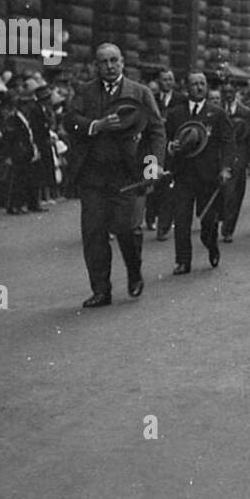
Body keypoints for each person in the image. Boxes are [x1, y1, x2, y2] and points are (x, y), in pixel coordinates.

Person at [64, 42, 165, 308]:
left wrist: (153, 164)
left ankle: (134, 272)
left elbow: (156, 131)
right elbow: (69, 120)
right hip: (94, 175)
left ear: (122, 63)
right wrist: (95, 125)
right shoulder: (84, 92)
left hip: (127, 175)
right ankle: (101, 290)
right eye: (103, 62)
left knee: (126, 228)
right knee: (94, 232)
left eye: (114, 61)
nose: (109, 66)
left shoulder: (140, 92)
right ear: (96, 66)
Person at [164, 72, 235, 274]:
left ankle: (211, 245)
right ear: (187, 87)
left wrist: (225, 168)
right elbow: (165, 139)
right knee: (182, 218)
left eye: (202, 84)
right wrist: (170, 147)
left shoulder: (217, 113)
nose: (198, 87)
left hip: (208, 176)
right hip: (183, 174)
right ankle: (183, 261)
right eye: (194, 84)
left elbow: (229, 143)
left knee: (208, 221)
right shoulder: (176, 114)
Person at [219, 77, 250, 243]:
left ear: (236, 92)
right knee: (221, 192)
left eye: (230, 91)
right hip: (218, 157)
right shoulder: (216, 109)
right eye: (224, 92)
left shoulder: (246, 112)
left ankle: (228, 228)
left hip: (238, 157)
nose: (227, 95)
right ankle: (221, 219)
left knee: (234, 194)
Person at [146, 69, 179, 240]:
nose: (167, 82)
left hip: (172, 150)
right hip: (153, 150)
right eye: (164, 79)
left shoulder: (180, 99)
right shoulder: (151, 98)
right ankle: (150, 216)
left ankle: (163, 225)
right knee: (151, 185)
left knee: (168, 189)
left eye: (170, 79)